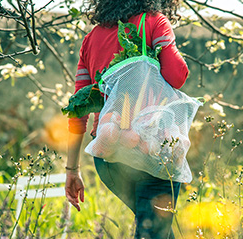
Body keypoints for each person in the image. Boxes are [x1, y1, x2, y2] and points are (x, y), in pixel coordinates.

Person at [65, 1, 189, 238]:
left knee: (154, 228)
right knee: (153, 231)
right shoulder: (154, 22)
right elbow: (177, 75)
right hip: (151, 152)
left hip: (108, 156)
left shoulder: (91, 39)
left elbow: (78, 110)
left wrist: (72, 169)